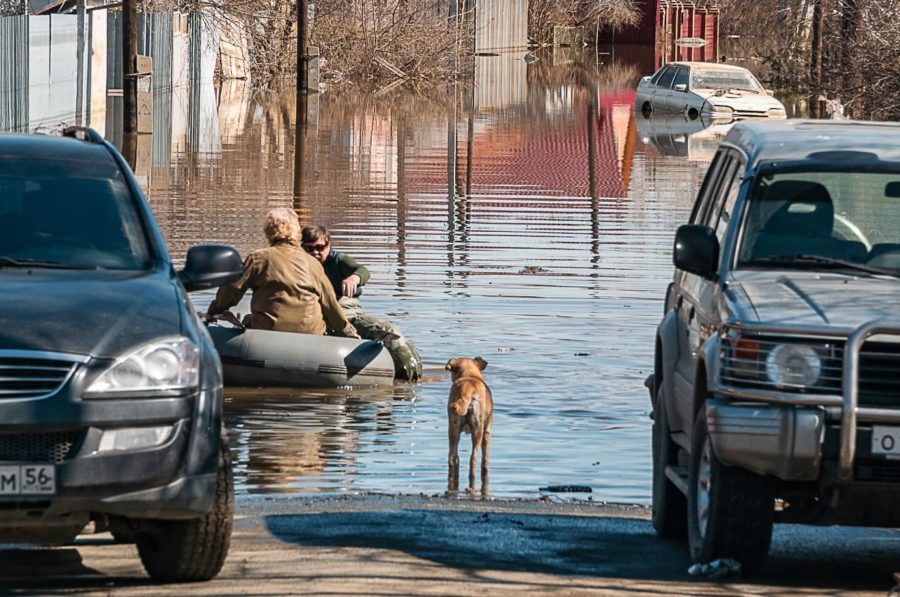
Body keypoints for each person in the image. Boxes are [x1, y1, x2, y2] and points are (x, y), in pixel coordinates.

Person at [206, 208, 359, 339]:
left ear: (267, 231)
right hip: (312, 336)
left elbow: (231, 290)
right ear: (297, 233)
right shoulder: (314, 264)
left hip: (268, 334)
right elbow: (330, 305)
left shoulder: (258, 258)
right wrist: (347, 332)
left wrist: (213, 312)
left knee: (247, 320)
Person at [301, 225, 423, 381]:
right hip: (317, 315)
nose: (315, 253)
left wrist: (354, 278)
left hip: (347, 312)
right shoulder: (299, 264)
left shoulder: (337, 260)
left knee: (390, 331)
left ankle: (409, 378)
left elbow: (362, 270)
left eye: (320, 248)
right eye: (309, 249)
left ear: (328, 245)